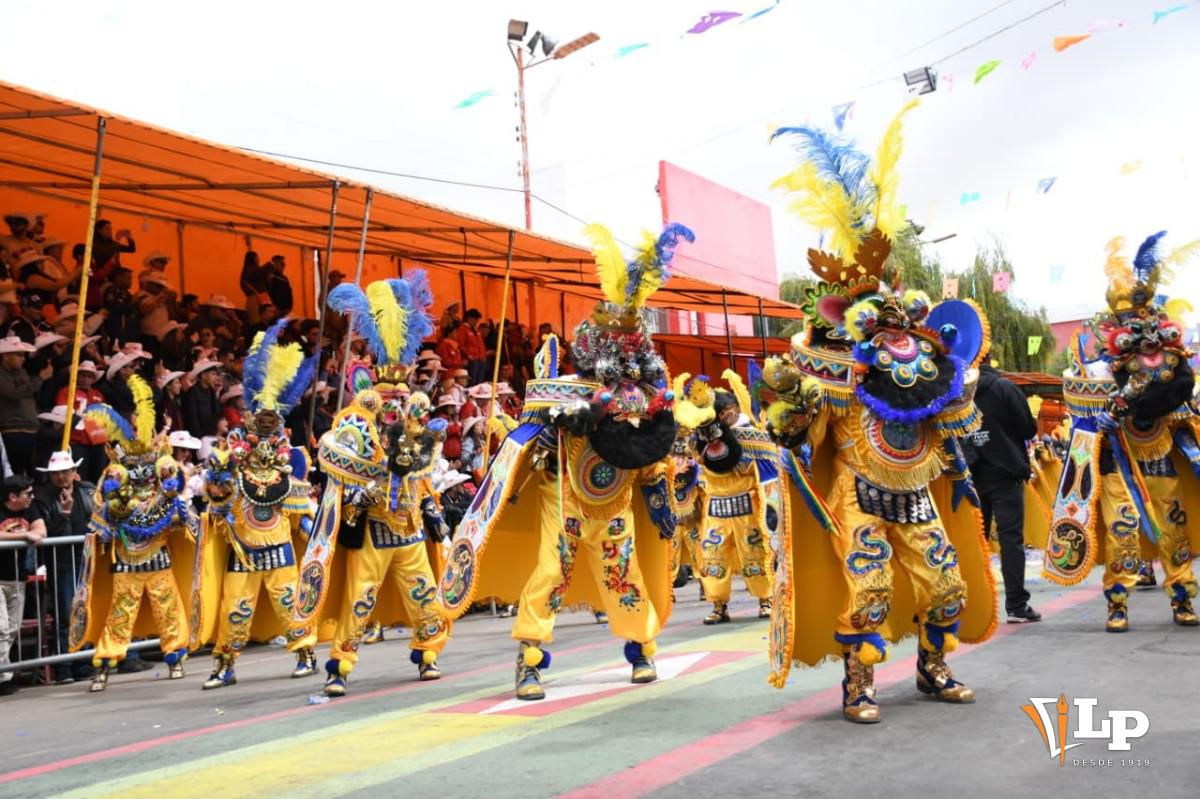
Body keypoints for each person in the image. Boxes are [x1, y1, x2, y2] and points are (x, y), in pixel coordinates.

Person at [757, 105, 996, 723]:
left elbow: (957, 427)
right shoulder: (833, 372)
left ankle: (932, 668)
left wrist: (958, 399)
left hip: (916, 492)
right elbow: (792, 430)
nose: (891, 327)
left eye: (895, 315)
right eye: (875, 316)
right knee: (869, 588)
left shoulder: (923, 365)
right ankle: (857, 684)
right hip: (858, 494)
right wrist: (791, 405)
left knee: (947, 585)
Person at [436, 223, 686, 701]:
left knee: (625, 576)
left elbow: (650, 450)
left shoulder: (647, 396)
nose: (628, 354)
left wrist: (657, 488)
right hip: (565, 499)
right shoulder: (565, 390)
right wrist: (547, 436)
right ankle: (529, 659)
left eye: (634, 345)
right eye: (620, 345)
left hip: (613, 505)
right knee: (550, 575)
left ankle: (641, 650)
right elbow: (531, 434)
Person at [298, 272, 452, 697]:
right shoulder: (356, 423)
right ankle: (340, 664)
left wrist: (434, 512)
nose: (396, 404)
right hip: (372, 529)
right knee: (359, 600)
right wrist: (363, 485)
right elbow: (333, 458)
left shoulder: (417, 426)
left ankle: (428, 653)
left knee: (424, 597)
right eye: (390, 398)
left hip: (410, 529)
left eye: (401, 397)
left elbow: (423, 478)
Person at [1043, 232, 1200, 631]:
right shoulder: (1099, 367)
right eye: (1130, 317)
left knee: (1173, 530)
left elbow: (1182, 402)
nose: (1139, 323)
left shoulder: (1171, 361)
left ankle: (1182, 596)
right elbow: (1082, 415)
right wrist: (1102, 420)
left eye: (1145, 315)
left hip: (1160, 452)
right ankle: (1117, 601)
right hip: (1117, 458)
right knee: (1122, 531)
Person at [192, 322, 319, 690]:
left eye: (270, 435)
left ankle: (305, 653)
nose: (263, 444)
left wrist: (312, 534)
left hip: (278, 549)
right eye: (255, 435)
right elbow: (215, 501)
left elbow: (301, 509)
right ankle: (225, 664)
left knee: (288, 603)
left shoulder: (288, 470)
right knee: (234, 609)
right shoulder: (232, 467)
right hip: (242, 549)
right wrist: (217, 480)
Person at [72, 376, 197, 692]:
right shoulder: (115, 489)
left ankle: (175, 657)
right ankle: (104, 664)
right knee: (119, 615)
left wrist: (172, 503)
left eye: (147, 470)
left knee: (168, 610)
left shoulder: (165, 494)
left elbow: (184, 516)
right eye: (135, 470)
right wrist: (115, 511)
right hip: (127, 562)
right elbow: (103, 514)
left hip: (158, 559)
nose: (142, 476)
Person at [970, 356, 1042, 624]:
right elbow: (1028, 428)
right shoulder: (1005, 387)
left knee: (976, 540)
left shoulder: (958, 391)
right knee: (1011, 539)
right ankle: (1016, 605)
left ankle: (976, 605)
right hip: (1006, 472)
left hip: (972, 473)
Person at [34, 451, 93, 684]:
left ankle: (83, 662)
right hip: (61, 563)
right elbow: (46, 531)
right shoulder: (43, 498)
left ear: (73, 472)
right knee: (65, 614)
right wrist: (64, 514)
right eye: (56, 473)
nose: (61, 477)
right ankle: (65, 666)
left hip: (86, 559)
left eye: (65, 472)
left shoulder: (86, 492)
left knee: (85, 611)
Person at [0, 475, 46, 695]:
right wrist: (25, 535)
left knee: (12, 628)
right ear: (13, 496)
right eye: (27, 493)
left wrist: (30, 533)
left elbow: (41, 531)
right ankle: (3, 676)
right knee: (0, 628)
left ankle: (3, 672)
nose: (31, 497)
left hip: (18, 578)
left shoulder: (31, 509)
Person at [0, 336, 51, 476]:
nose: (23, 359)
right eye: (18, 355)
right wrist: (40, 379)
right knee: (17, 474)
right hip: (14, 431)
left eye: (23, 355)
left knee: (36, 473)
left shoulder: (22, 373)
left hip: (31, 430)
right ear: (5, 356)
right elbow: (12, 393)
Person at [56, 360, 106, 484]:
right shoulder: (66, 392)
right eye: (83, 375)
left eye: (89, 376)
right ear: (76, 376)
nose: (86, 379)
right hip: (76, 441)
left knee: (98, 474)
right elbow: (60, 412)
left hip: (97, 442)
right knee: (78, 476)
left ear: (93, 379)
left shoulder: (98, 394)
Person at [183, 359, 224, 440]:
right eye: (213, 374)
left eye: (216, 374)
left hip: (212, 435)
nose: (215, 377)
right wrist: (200, 438)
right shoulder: (192, 393)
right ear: (203, 375)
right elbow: (192, 420)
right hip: (198, 438)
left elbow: (216, 413)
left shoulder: (211, 391)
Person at [458, 308, 489, 385]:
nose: (477, 321)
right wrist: (468, 356)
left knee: (480, 382)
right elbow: (461, 344)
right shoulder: (463, 329)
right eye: (475, 319)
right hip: (472, 360)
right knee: (473, 382)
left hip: (480, 360)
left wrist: (484, 356)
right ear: (469, 318)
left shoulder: (476, 330)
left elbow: (481, 344)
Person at [239, 251, 268, 324]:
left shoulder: (252, 270)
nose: (258, 259)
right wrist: (255, 292)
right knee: (257, 323)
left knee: (263, 323)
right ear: (253, 259)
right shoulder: (250, 270)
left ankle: (261, 335)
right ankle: (258, 336)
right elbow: (244, 283)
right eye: (257, 258)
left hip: (261, 298)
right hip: (255, 298)